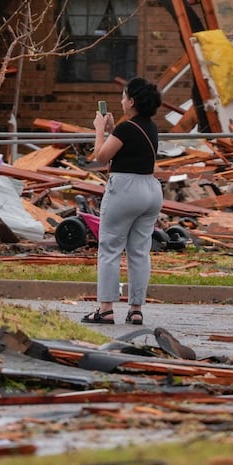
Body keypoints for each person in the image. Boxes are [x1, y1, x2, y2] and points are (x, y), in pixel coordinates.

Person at [80, 76, 163, 325]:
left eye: (124, 96)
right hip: (150, 189)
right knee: (139, 252)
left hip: (125, 189)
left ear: (132, 101)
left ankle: (105, 309)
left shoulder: (126, 129)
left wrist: (99, 129)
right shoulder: (150, 126)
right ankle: (136, 309)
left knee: (110, 248)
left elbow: (101, 158)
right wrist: (111, 130)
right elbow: (129, 150)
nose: (121, 100)